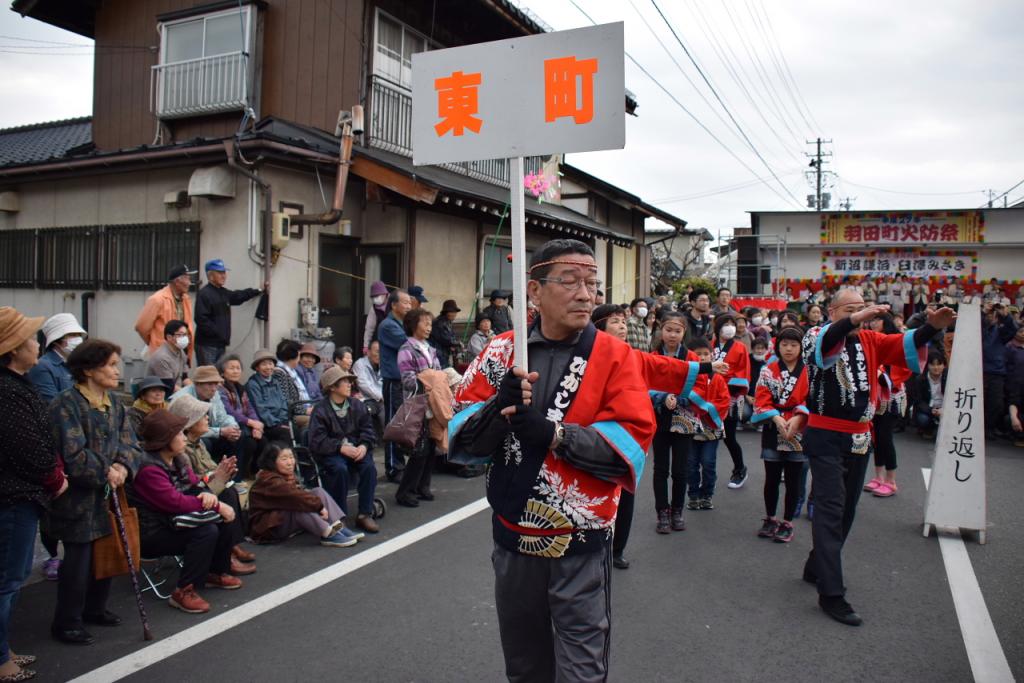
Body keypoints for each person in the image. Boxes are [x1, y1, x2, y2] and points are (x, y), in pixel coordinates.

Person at [451, 239, 655, 682]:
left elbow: (633, 440)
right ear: (534, 290)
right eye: (570, 281)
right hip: (512, 540)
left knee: (582, 672)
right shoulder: (502, 352)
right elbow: (462, 439)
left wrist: (554, 434)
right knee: (524, 668)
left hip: (579, 545)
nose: (586, 294)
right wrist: (497, 410)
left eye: (592, 283)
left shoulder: (616, 356)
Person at [800, 290, 954, 626]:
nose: (860, 315)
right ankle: (832, 593)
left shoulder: (872, 339)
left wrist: (931, 328)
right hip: (825, 434)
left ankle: (817, 565)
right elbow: (823, 348)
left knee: (848, 510)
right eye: (851, 310)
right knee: (830, 508)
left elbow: (903, 348)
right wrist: (853, 319)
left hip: (859, 437)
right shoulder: (816, 334)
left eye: (862, 310)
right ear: (832, 310)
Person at [47, 338, 141, 645]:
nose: (117, 371)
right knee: (78, 560)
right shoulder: (65, 404)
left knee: (109, 549)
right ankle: (67, 621)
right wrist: (107, 471)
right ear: (88, 369)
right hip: (76, 497)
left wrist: (124, 467)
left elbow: (130, 443)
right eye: (111, 365)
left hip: (110, 490)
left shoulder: (115, 403)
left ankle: (95, 609)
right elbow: (73, 454)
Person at [0, 307, 67, 680]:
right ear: (12, 350)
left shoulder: (17, 384)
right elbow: (28, 449)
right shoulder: (7, 392)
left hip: (22, 495)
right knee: (8, 578)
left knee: (14, 574)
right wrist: (54, 477)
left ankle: (3, 647)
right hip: (14, 497)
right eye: (28, 339)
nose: (35, 343)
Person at [130, 409, 243, 615]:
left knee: (223, 505)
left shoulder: (178, 459)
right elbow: (175, 502)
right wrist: (215, 505)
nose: (184, 436)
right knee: (207, 530)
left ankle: (215, 571)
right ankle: (183, 590)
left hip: (173, 521)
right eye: (179, 433)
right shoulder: (148, 470)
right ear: (165, 440)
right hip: (151, 531)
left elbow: (193, 486)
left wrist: (210, 488)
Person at [167, 393, 255, 571]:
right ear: (190, 424)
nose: (207, 418)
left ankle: (231, 545)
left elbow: (208, 470)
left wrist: (222, 471)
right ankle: (226, 554)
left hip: (201, 488)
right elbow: (191, 483)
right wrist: (217, 475)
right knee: (227, 493)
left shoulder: (199, 444)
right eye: (202, 416)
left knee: (229, 489)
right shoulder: (182, 452)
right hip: (192, 495)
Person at [751, 327, 809, 543]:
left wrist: (798, 417)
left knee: (794, 480)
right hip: (773, 426)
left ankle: (787, 522)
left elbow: (811, 399)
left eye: (794, 345)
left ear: (802, 347)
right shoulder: (769, 369)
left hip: (799, 426)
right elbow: (761, 397)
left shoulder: (809, 370)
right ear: (777, 346)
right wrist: (776, 418)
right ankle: (770, 518)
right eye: (784, 344)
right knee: (771, 478)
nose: (789, 349)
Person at [308, 365, 380, 533]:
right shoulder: (320, 410)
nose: (349, 384)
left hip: (356, 449)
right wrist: (340, 447)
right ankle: (339, 516)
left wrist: (364, 445)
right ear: (332, 387)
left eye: (349, 381)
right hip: (332, 453)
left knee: (369, 467)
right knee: (339, 469)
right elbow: (317, 441)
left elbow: (368, 430)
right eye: (345, 381)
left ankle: (364, 514)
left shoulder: (357, 405)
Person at [248, 444, 358, 547]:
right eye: (284, 459)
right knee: (299, 505)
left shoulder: (283, 474)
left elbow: (299, 494)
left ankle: (337, 527)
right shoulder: (269, 480)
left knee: (317, 491)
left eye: (291, 457)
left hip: (279, 518)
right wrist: (319, 507)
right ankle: (328, 534)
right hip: (268, 528)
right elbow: (294, 496)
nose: (290, 462)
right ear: (272, 462)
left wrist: (316, 503)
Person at [648, 311, 697, 534]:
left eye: (677, 331)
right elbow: (643, 385)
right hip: (658, 415)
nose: (672, 335)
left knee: (680, 468)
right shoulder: (652, 355)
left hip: (684, 415)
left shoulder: (692, 358)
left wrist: (680, 398)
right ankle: (662, 513)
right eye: (668, 330)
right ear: (661, 330)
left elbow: (701, 386)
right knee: (660, 468)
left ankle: (677, 510)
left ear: (684, 332)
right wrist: (661, 396)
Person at [395, 308, 442, 507]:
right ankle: (405, 491)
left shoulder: (430, 349)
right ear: (414, 325)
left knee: (431, 446)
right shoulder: (406, 349)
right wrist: (429, 381)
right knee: (419, 449)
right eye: (425, 323)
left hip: (433, 403)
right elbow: (407, 380)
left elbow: (438, 372)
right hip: (417, 404)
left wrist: (435, 381)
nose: (429, 327)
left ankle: (423, 486)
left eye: (430, 324)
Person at [862, 314, 912, 498]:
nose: (873, 323)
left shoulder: (894, 341)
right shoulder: (871, 341)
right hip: (876, 395)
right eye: (872, 320)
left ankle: (891, 480)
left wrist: (882, 375)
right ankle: (878, 477)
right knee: (876, 436)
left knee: (885, 437)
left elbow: (900, 370)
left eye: (877, 320)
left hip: (891, 397)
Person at [683, 337, 731, 511]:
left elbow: (724, 400)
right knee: (691, 463)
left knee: (708, 462)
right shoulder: (688, 376)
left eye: (706, 354)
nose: (702, 358)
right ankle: (693, 494)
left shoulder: (717, 378)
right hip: (691, 425)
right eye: (698, 354)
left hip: (711, 426)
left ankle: (707, 494)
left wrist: (707, 408)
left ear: (712, 355)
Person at [193, 259, 264, 366]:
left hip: (221, 344)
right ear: (211, 276)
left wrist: (258, 290)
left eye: (224, 272)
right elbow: (201, 319)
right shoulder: (204, 294)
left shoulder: (223, 292)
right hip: (207, 344)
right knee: (208, 375)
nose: (224, 276)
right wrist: (217, 333)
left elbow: (238, 296)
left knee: (219, 375)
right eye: (220, 273)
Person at [170, 366, 245, 463]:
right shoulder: (183, 399)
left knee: (239, 436)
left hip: (210, 430)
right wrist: (220, 431)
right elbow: (187, 429)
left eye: (216, 384)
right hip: (187, 436)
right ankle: (205, 474)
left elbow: (222, 416)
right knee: (205, 443)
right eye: (209, 384)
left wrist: (233, 427)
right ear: (197, 384)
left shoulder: (215, 394)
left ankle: (234, 476)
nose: (214, 388)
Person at [712, 314, 751, 490]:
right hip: (708, 395)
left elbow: (743, 372)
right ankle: (703, 474)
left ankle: (740, 468)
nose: (730, 327)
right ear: (717, 327)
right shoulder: (709, 345)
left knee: (729, 437)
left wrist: (730, 394)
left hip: (731, 397)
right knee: (705, 437)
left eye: (732, 324)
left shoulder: (740, 347)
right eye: (726, 324)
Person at [379, 289, 412, 481]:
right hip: (393, 381)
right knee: (394, 423)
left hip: (404, 381)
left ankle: (400, 463)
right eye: (405, 302)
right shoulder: (388, 326)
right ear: (393, 305)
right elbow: (408, 344)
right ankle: (393, 467)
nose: (409, 306)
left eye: (410, 303)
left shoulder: (401, 324)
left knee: (403, 422)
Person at [134, 265, 196, 361]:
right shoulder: (157, 299)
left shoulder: (185, 299)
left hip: (181, 352)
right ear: (177, 281)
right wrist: (154, 342)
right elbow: (141, 327)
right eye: (187, 279)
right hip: (163, 354)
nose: (189, 283)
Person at [217, 355, 265, 479]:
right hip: (229, 424)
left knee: (263, 440)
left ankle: (255, 473)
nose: (236, 371)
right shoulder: (220, 388)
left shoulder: (240, 388)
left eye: (238, 368)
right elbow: (229, 411)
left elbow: (249, 408)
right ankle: (237, 477)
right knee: (248, 442)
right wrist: (251, 422)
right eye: (232, 368)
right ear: (222, 372)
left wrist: (257, 425)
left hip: (245, 424)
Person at [27, 312, 86, 404]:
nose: (78, 339)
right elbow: (52, 404)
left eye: (79, 335)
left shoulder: (80, 365)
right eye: (72, 335)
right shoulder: (43, 366)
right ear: (56, 341)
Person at [981, 301, 1018, 438]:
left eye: (993, 315)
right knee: (979, 402)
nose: (990, 317)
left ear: (996, 318)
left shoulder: (1000, 332)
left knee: (996, 403)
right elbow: (972, 324)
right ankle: (978, 428)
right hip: (979, 371)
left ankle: (989, 427)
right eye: (988, 315)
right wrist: (984, 311)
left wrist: (1006, 316)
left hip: (996, 372)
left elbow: (1013, 330)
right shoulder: (979, 329)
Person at [246, 349, 293, 442]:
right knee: (284, 433)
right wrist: (277, 423)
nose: (268, 367)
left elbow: (283, 402)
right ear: (257, 368)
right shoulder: (253, 384)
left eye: (270, 364)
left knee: (298, 430)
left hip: (280, 421)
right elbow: (261, 409)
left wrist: (283, 420)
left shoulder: (275, 381)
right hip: (267, 424)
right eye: (264, 364)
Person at [146, 319, 191, 392]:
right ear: (169, 337)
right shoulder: (161, 357)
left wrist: (194, 391)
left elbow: (184, 377)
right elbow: (169, 386)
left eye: (185, 334)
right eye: (180, 335)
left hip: (177, 392)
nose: (184, 338)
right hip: (162, 396)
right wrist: (189, 396)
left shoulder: (181, 352)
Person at [352, 340, 385, 434]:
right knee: (368, 410)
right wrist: (380, 396)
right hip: (366, 399)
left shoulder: (383, 365)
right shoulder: (360, 364)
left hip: (380, 399)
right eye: (377, 352)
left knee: (388, 410)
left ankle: (388, 440)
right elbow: (364, 385)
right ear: (368, 352)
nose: (380, 355)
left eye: (382, 352)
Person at [913, 352, 947, 438]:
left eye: (939, 364)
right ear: (927, 365)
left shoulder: (949, 378)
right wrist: (931, 410)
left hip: (944, 408)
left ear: (944, 365)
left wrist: (945, 410)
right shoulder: (920, 379)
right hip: (928, 408)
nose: (936, 368)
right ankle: (928, 429)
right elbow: (919, 401)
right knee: (923, 419)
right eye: (933, 364)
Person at [429, 299, 461, 368]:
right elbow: (447, 339)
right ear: (446, 312)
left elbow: (452, 336)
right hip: (438, 355)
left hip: (444, 354)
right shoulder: (440, 323)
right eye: (452, 312)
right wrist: (459, 343)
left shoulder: (447, 322)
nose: (454, 314)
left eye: (455, 312)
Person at [362, 280, 390, 355]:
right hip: (382, 340)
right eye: (373, 297)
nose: (375, 299)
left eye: (377, 296)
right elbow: (369, 327)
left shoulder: (394, 303)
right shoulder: (374, 308)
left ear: (385, 294)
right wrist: (366, 345)